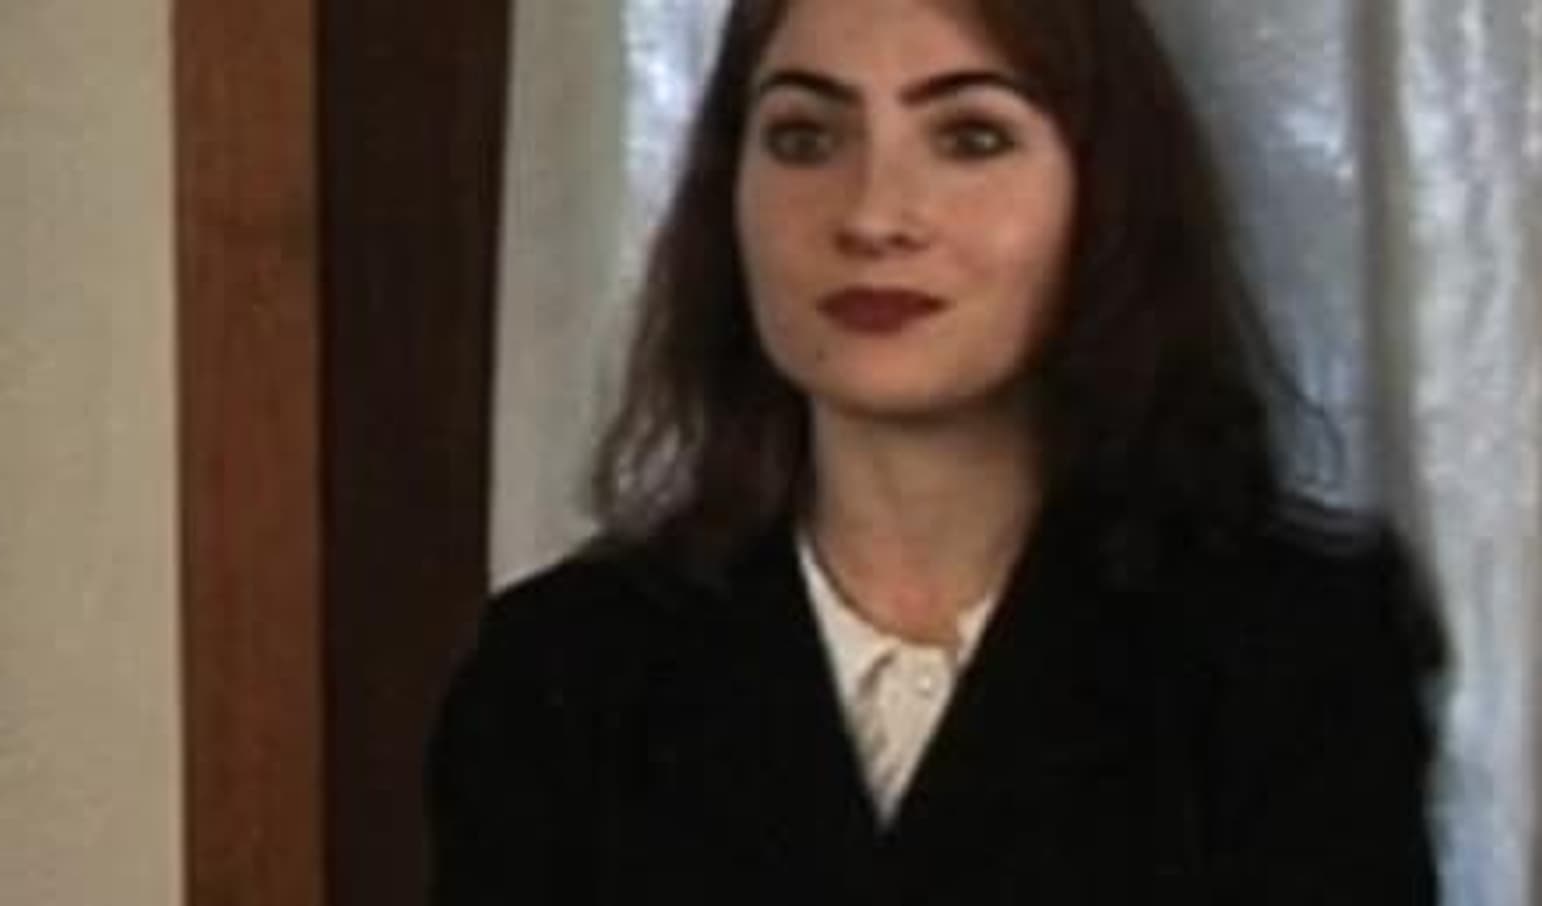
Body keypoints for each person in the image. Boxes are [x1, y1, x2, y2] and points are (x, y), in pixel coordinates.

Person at [428, 0, 1443, 902]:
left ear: (1102, 194)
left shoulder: (1288, 656)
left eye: (969, 137)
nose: (873, 216)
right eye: (804, 138)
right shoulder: (563, 672)